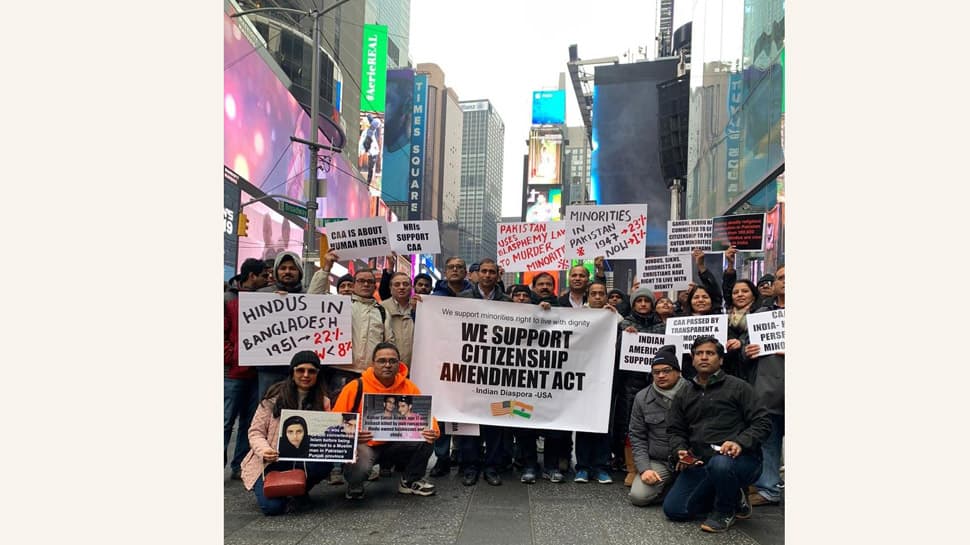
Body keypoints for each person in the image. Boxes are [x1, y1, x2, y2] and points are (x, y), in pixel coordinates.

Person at [662, 337, 771, 533]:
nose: (704, 357)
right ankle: (732, 494)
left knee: (721, 464)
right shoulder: (684, 393)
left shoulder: (740, 387)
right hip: (701, 463)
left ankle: (725, 511)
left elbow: (763, 422)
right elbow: (675, 430)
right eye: (699, 353)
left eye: (710, 353)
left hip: (740, 460)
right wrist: (680, 450)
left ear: (721, 360)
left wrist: (740, 442)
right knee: (675, 510)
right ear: (692, 359)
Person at [332, 342, 440, 499]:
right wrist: (353, 435)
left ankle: (410, 480)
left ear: (399, 364)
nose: (387, 365)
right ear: (373, 363)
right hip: (365, 446)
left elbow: (427, 418)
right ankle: (355, 483)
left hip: (396, 445)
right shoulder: (356, 386)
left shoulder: (409, 387)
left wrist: (433, 431)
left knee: (426, 439)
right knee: (357, 463)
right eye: (382, 361)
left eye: (392, 361)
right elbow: (335, 422)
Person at [240, 351, 332, 516]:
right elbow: (255, 432)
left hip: (302, 459)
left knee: (324, 463)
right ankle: (291, 491)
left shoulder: (323, 402)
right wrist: (265, 450)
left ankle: (298, 490)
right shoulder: (273, 399)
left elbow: (327, 435)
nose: (306, 375)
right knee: (272, 508)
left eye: (311, 371)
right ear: (292, 372)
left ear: (318, 374)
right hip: (271, 461)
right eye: (300, 370)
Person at [224, 258, 271, 480]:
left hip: (256, 373)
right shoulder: (228, 300)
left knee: (249, 423)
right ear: (252, 276)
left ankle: (239, 466)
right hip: (233, 373)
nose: (268, 279)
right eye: (264, 275)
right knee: (225, 421)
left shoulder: (266, 298)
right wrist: (233, 359)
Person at [743, 265, 785, 507]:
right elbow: (747, 345)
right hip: (768, 388)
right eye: (780, 278)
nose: (784, 282)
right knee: (769, 440)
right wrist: (748, 351)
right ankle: (768, 489)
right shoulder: (762, 314)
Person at [574, 281, 621, 485]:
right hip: (582, 377)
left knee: (603, 424)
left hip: (605, 378)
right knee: (584, 422)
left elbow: (628, 332)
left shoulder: (614, 318)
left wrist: (616, 317)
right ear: (587, 296)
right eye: (594, 293)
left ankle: (601, 467)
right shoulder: (577, 317)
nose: (598, 297)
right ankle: (583, 467)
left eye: (602, 293)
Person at [628, 345, 687, 506]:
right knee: (638, 497)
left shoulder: (693, 393)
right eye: (656, 372)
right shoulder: (642, 398)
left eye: (666, 371)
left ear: (678, 372)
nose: (661, 375)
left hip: (689, 460)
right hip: (660, 461)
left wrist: (690, 456)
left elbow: (704, 431)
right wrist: (644, 469)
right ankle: (671, 489)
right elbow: (637, 436)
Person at [615, 286, 661, 482]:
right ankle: (631, 467)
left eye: (646, 301)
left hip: (656, 382)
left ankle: (650, 464)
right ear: (633, 304)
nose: (643, 304)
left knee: (654, 423)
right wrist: (623, 338)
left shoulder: (661, 326)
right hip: (630, 383)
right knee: (630, 425)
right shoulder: (624, 324)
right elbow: (615, 355)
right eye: (638, 301)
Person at [329, 268, 395, 395]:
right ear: (353, 285)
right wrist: (326, 269)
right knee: (338, 412)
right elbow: (313, 296)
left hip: (369, 374)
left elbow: (388, 343)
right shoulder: (339, 305)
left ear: (374, 286)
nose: (366, 284)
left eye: (370, 282)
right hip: (340, 372)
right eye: (361, 281)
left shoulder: (382, 311)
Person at [255, 250, 306, 397]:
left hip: (300, 370)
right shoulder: (260, 296)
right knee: (267, 410)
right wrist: (274, 304)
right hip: (269, 369)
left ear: (300, 272)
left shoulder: (310, 298)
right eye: (283, 268)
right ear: (276, 272)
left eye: (292, 268)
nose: (287, 272)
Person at [381, 272, 416, 369]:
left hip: (416, 367)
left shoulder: (419, 307)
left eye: (405, 284)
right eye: (397, 284)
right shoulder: (381, 308)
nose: (401, 287)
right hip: (389, 367)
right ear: (390, 288)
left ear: (411, 287)